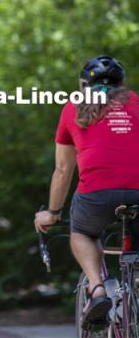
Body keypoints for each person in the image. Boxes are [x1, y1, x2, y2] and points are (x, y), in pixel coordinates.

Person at [34, 55, 139, 325]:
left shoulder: (73, 107)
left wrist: (53, 214)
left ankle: (97, 288)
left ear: (83, 85)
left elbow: (62, 169)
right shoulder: (137, 102)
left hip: (97, 194)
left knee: (82, 232)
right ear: (122, 84)